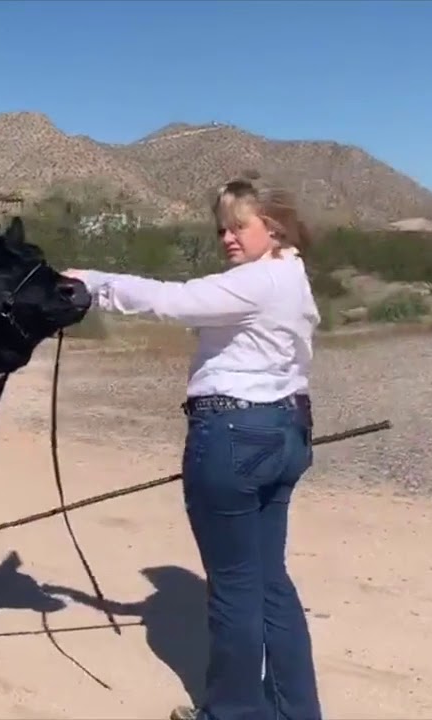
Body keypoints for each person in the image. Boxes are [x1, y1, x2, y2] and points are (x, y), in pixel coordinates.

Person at [64, 171, 324, 720]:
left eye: (238, 226)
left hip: (234, 435)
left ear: (272, 227)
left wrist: (92, 280)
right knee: (268, 581)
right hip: (283, 431)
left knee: (235, 589)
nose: (227, 237)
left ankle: (232, 713)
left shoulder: (261, 282)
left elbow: (173, 302)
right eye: (222, 228)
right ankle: (293, 711)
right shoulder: (291, 276)